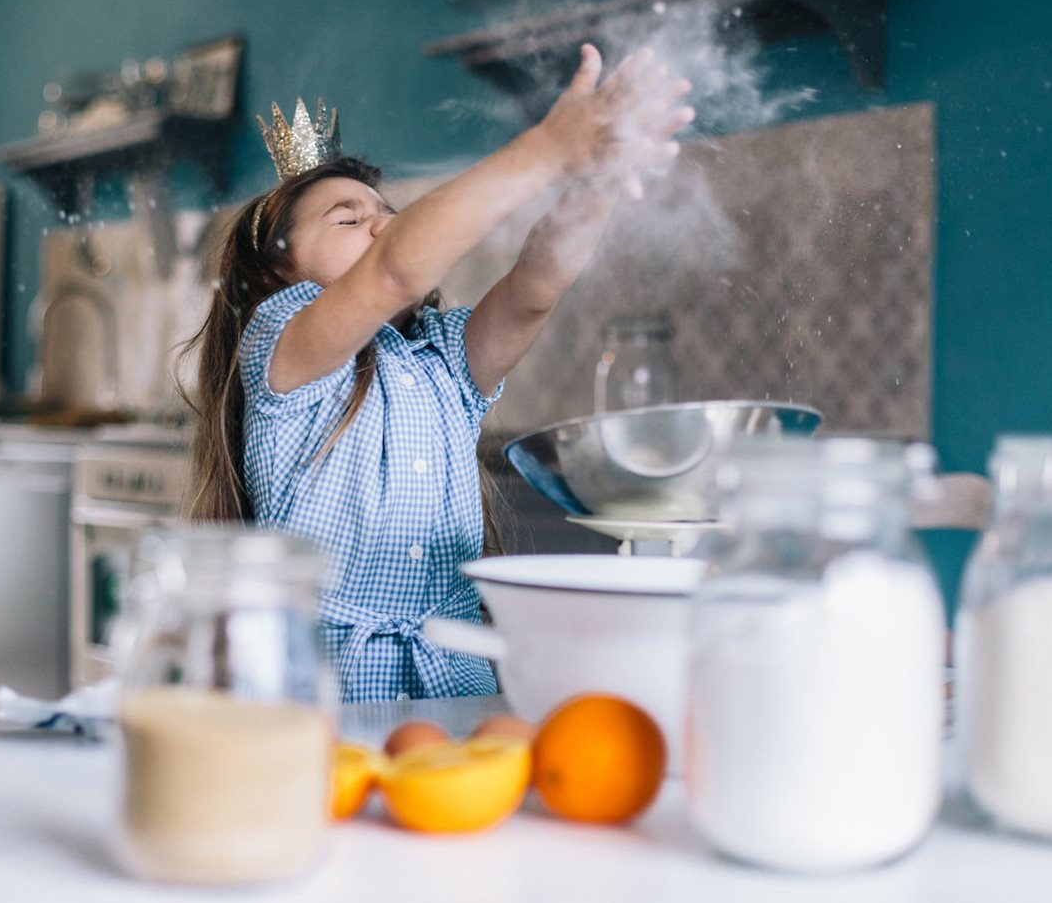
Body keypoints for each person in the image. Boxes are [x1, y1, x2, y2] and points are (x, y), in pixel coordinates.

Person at [180, 44, 694, 702]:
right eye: (348, 218)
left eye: (388, 216)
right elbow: (396, 268)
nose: (380, 227)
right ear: (272, 275)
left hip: (457, 692)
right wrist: (546, 149)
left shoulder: (443, 361)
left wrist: (594, 185)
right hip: (321, 704)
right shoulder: (282, 348)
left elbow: (533, 289)